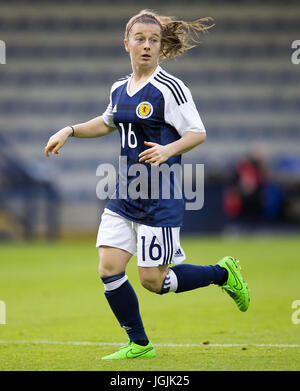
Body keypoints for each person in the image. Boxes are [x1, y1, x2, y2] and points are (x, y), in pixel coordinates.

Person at [45, 9, 250, 360]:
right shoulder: (119, 88)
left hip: (160, 197)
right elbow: (108, 121)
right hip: (125, 194)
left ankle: (222, 273)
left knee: (153, 281)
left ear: (160, 47)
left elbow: (197, 132)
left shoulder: (170, 88)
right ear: (126, 43)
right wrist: (70, 130)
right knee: (108, 268)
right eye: (139, 39)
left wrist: (167, 149)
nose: (146, 46)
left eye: (153, 40)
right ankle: (140, 344)